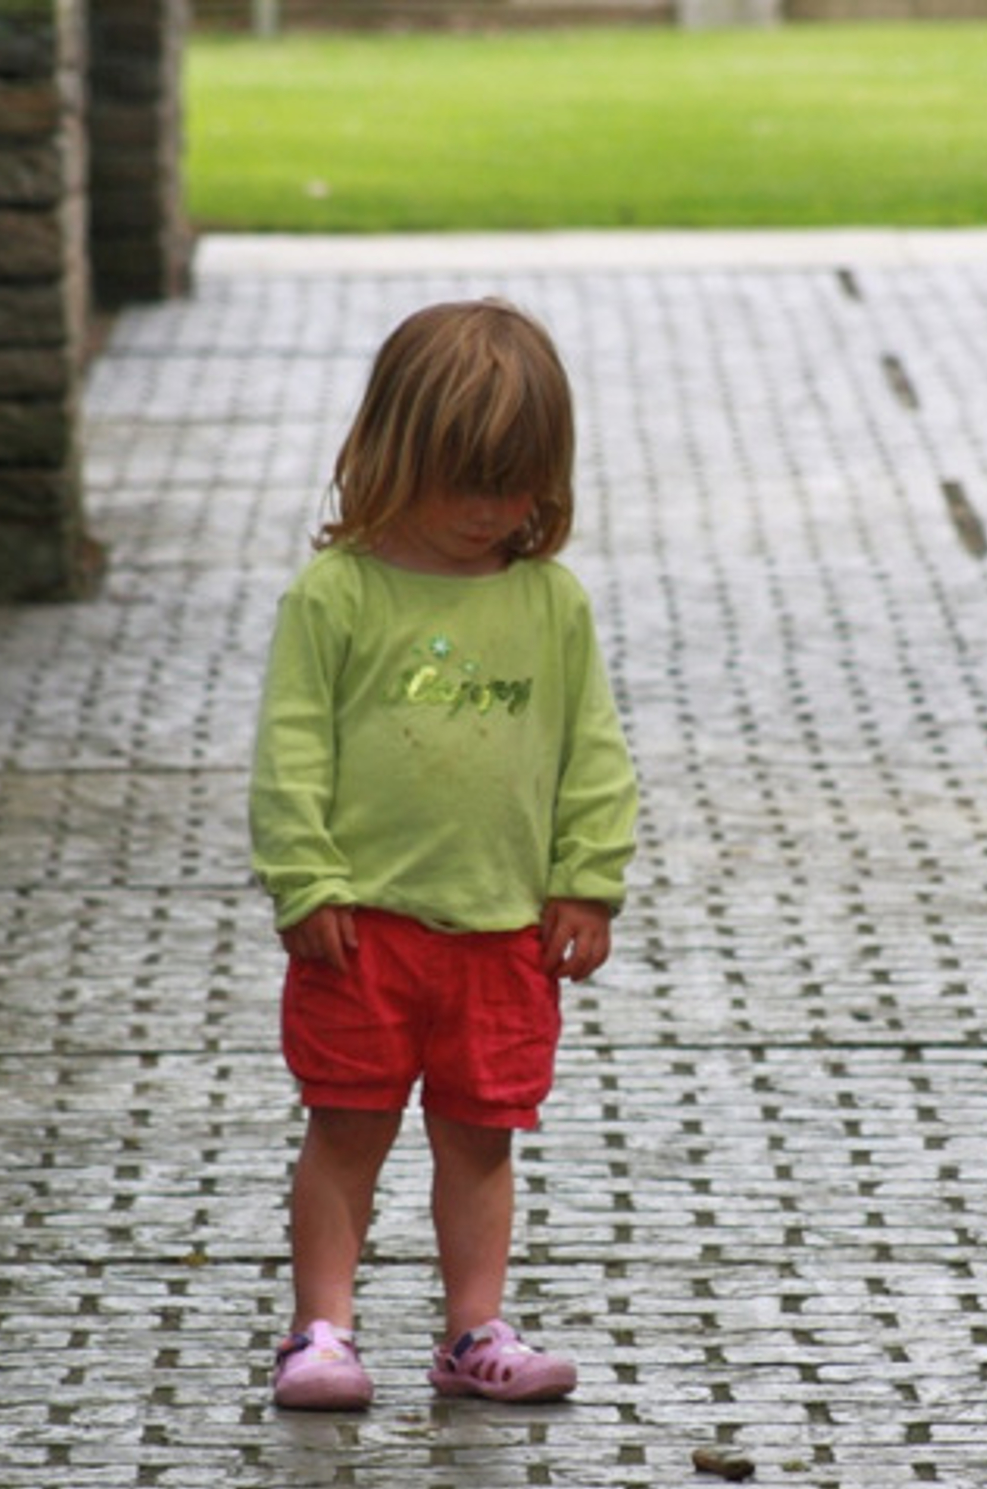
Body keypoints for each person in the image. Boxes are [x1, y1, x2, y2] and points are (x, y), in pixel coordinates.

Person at [248, 299, 639, 1411]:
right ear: (394, 457)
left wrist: (587, 879)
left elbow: (591, 752)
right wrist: (306, 875)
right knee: (347, 1129)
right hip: (361, 928)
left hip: (503, 931)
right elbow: (289, 750)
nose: (493, 512)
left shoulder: (549, 603)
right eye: (467, 483)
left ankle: (475, 1328)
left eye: (518, 486)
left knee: (479, 1138)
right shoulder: (340, 594)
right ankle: (321, 1327)